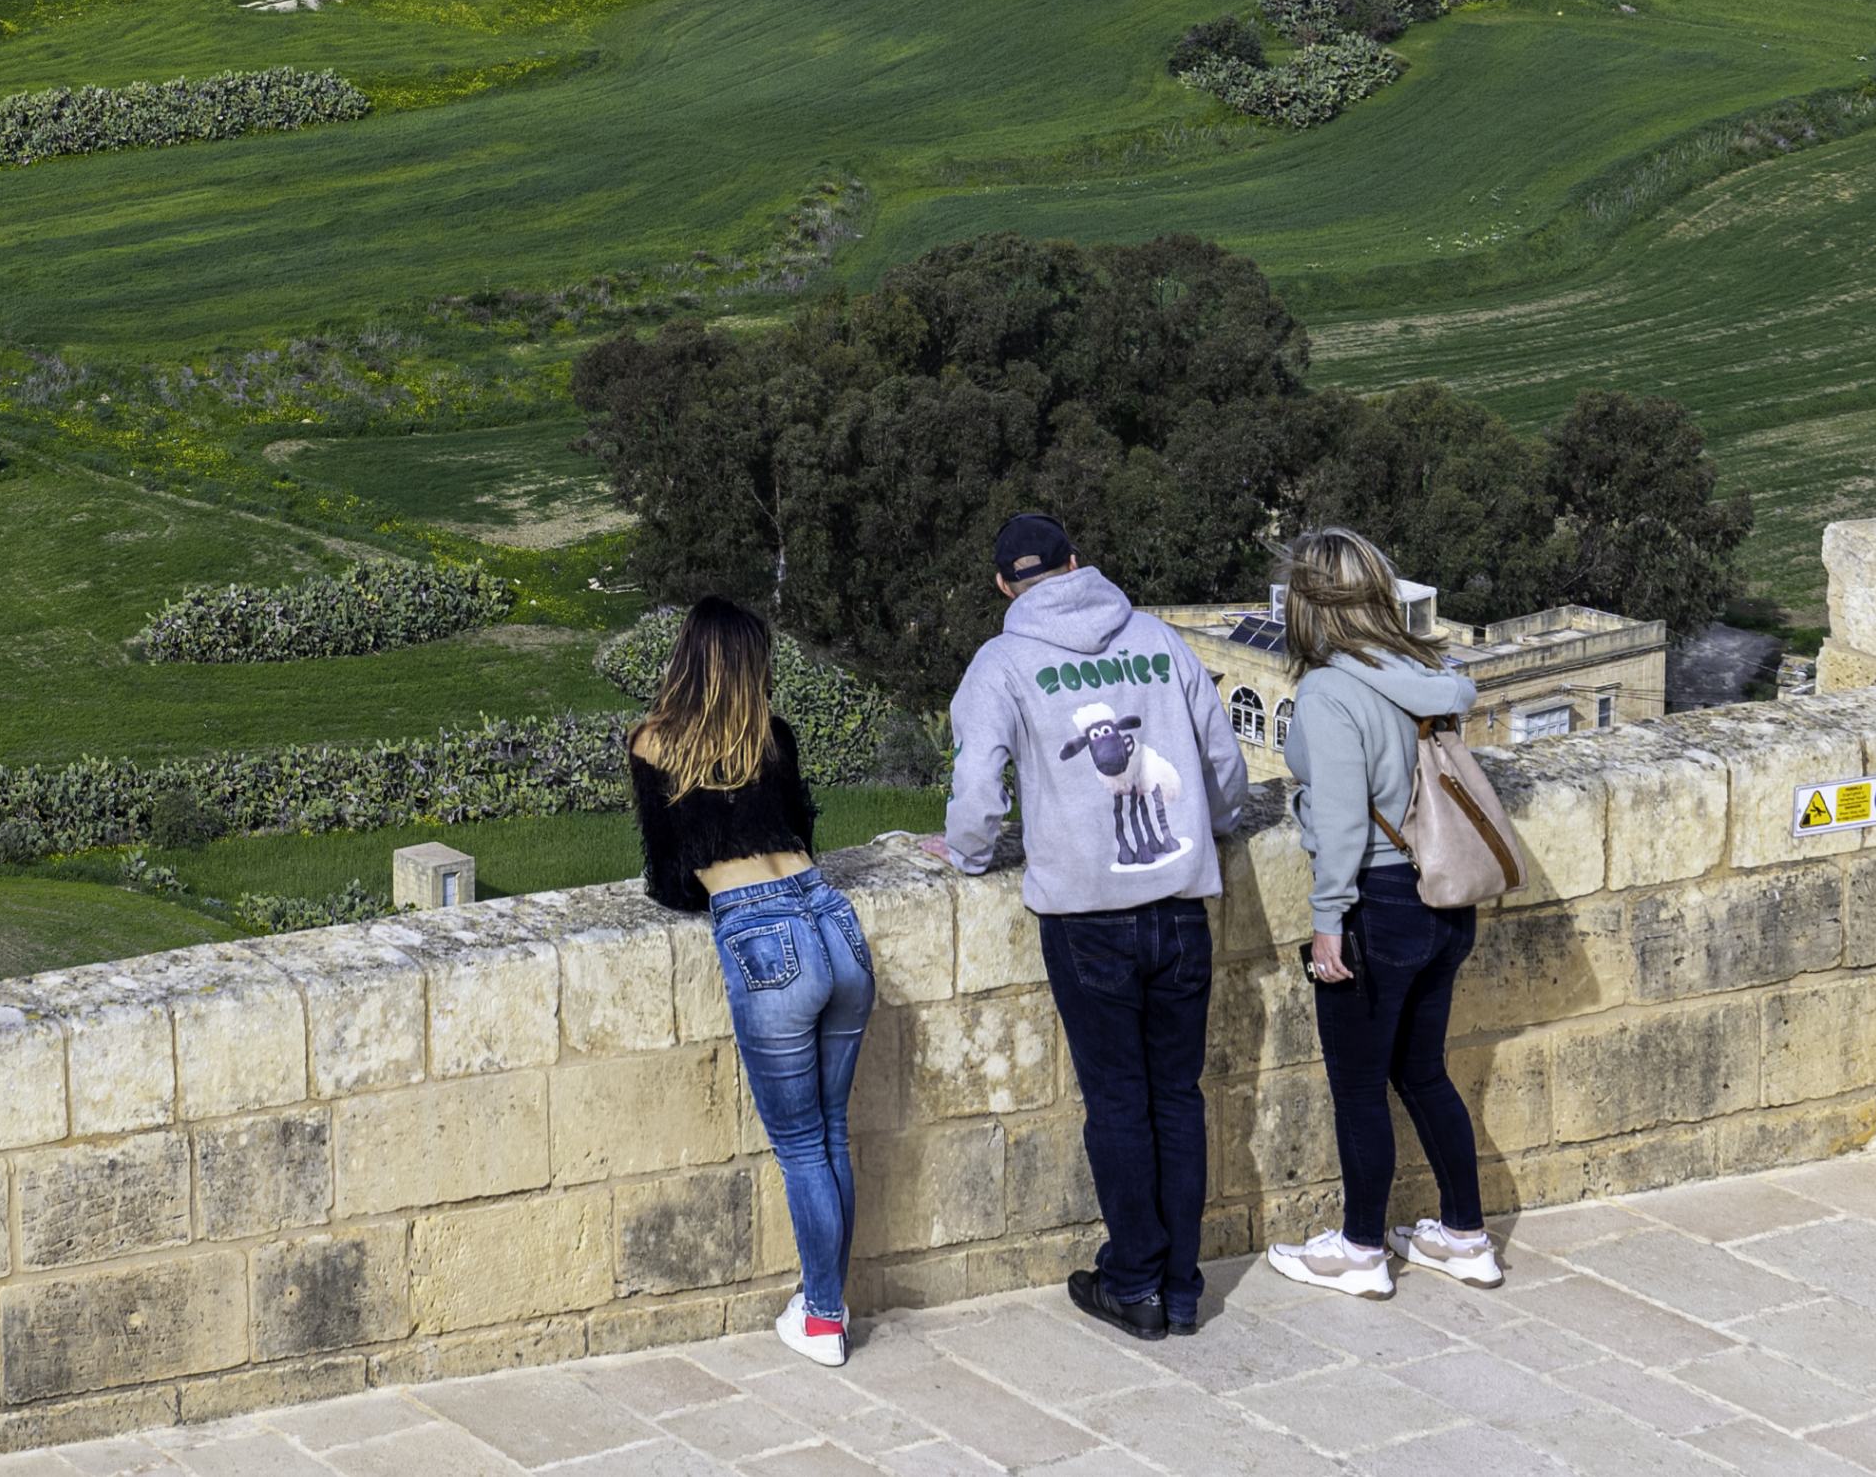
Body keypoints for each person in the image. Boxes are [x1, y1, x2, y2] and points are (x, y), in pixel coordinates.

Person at [910, 511, 1249, 1342]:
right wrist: (1225, 823)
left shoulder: (1002, 663)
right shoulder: (1159, 639)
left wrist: (966, 855)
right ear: (1075, 563)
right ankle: (1178, 1287)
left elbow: (979, 789)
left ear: (1003, 586)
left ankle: (1132, 1281)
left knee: (1118, 1104)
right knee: (1177, 1096)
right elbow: (1221, 763)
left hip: (1086, 918)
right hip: (1178, 905)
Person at [1260, 524, 1505, 1299]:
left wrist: (1328, 919)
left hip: (1376, 900)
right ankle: (1464, 1236)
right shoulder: (1424, 669)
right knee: (1423, 1073)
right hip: (1442, 899)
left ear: (1306, 603)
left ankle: (1361, 1250)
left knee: (1359, 1087)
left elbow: (1338, 819)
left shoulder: (1330, 692)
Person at [628, 597, 873, 1367]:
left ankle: (825, 1319)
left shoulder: (654, 743)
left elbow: (669, 875)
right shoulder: (773, 738)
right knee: (831, 1136)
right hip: (830, 917)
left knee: (801, 1148)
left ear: (685, 658)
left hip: (761, 933)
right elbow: (800, 831)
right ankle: (822, 1300)